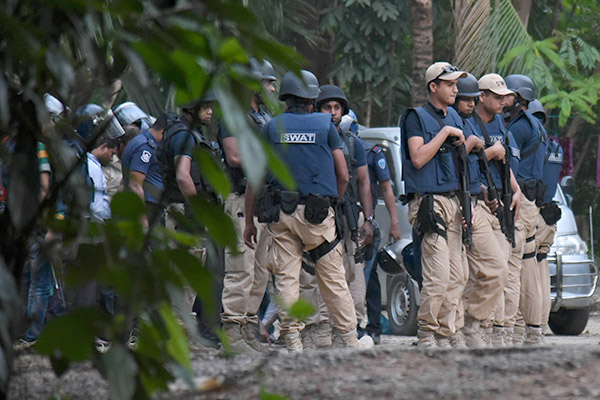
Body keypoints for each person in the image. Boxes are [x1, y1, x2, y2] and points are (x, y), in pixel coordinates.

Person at [243, 70, 373, 352]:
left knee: (287, 279)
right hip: (317, 215)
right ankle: (349, 338)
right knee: (333, 277)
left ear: (286, 99)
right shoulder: (326, 126)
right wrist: (333, 202)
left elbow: (255, 178)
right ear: (312, 101)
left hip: (281, 215)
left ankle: (292, 339)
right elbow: (343, 175)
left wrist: (250, 223)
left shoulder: (271, 126)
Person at [297, 85, 374, 349]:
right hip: (317, 213)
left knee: (352, 276)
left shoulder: (353, 142)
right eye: (326, 107)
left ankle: (347, 332)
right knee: (309, 276)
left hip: (347, 214)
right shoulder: (312, 137)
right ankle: (313, 330)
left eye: (336, 107)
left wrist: (368, 219)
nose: (332, 112)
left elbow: (363, 182)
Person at [400, 62, 468, 348]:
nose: (455, 88)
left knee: (458, 276)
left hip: (453, 201)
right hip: (429, 203)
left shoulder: (453, 114)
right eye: (450, 84)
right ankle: (427, 334)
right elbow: (417, 157)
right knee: (438, 275)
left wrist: (466, 206)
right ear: (433, 86)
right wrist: (444, 133)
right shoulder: (416, 118)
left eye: (456, 84)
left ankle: (445, 333)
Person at [219, 59, 277, 352]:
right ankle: (231, 332)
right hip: (241, 199)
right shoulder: (233, 116)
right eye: (268, 82)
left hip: (263, 201)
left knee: (260, 271)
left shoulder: (265, 118)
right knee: (240, 268)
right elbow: (234, 157)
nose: (272, 88)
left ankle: (247, 331)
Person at [459, 73, 521, 346]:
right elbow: (459, 164)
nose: (502, 102)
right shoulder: (464, 122)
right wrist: (490, 153)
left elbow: (503, 161)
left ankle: (472, 325)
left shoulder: (499, 122)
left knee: (498, 270)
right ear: (480, 96)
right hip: (471, 202)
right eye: (496, 97)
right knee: (468, 273)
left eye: (504, 96)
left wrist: (516, 190)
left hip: (497, 204)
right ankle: (465, 328)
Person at [158, 91, 223, 348]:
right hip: (186, 211)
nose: (209, 112)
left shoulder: (181, 133)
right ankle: (179, 337)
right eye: (205, 107)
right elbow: (184, 176)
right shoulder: (184, 136)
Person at [504, 74, 548, 345]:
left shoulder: (519, 127)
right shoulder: (535, 125)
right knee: (528, 269)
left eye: (506, 94)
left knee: (513, 269)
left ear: (518, 98)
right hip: (531, 202)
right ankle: (529, 332)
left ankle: (518, 333)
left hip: (521, 202)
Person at [362, 137, 402, 344]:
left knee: (368, 276)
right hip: (338, 221)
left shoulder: (372, 152)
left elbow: (386, 187)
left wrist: (394, 222)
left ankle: (373, 328)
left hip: (365, 223)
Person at [529, 100, 563, 333]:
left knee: (529, 270)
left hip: (536, 214)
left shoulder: (536, 147)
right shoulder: (555, 148)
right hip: (549, 215)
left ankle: (532, 325)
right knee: (541, 269)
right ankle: (540, 324)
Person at [121, 114, 169, 225]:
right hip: (147, 207)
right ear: (163, 131)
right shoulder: (145, 147)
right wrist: (143, 219)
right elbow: (135, 185)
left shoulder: (145, 141)